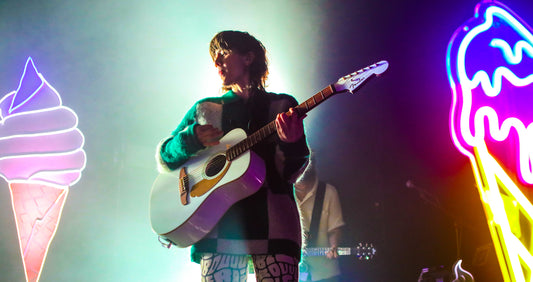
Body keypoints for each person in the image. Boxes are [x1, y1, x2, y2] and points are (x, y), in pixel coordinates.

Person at [156, 30, 310, 281]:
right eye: (214, 56)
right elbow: (166, 156)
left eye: (223, 54)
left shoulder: (282, 106)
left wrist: (293, 144)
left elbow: (291, 174)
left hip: (276, 226)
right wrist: (189, 140)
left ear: (248, 58)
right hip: (216, 229)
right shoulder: (206, 109)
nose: (216, 62)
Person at [294, 155, 345, 282]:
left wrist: (334, 245)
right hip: (292, 270)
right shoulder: (285, 192)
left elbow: (335, 228)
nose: (301, 186)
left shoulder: (329, 192)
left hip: (325, 273)